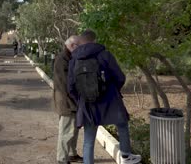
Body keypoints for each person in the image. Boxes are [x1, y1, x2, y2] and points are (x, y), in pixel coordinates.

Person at [68, 30, 141, 164]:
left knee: (89, 140)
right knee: (122, 124)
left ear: (81, 41)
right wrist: (112, 91)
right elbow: (120, 77)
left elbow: (71, 87)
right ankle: (126, 156)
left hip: (88, 104)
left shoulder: (74, 59)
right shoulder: (105, 54)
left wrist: (81, 99)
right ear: (94, 40)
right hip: (110, 100)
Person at [53, 35, 83, 164]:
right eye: (79, 46)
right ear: (72, 45)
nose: (81, 48)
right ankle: (62, 158)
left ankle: (71, 154)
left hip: (71, 101)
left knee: (73, 130)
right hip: (67, 102)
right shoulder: (62, 59)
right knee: (66, 132)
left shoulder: (69, 57)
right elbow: (67, 83)